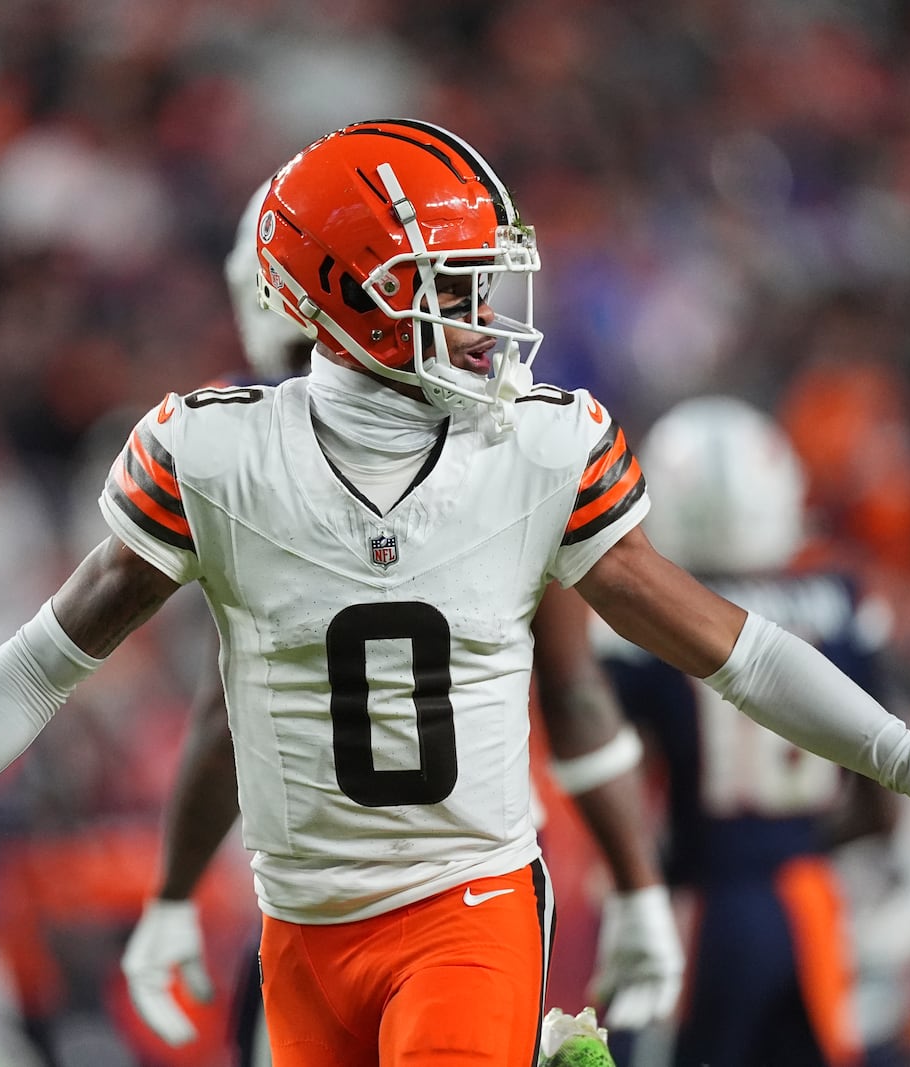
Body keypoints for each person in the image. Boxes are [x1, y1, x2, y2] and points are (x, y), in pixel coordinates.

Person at [0, 119, 910, 1067]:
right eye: (447, 292)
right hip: (299, 927)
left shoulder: (540, 445)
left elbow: (733, 648)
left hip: (465, 904)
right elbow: (46, 659)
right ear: (344, 300)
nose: (484, 321)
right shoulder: (216, 452)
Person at [119, 184, 682, 1063]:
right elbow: (573, 687)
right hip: (449, 878)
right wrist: (639, 886)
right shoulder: (506, 437)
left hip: (397, 886)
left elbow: (221, 710)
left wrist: (174, 893)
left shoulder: (240, 451)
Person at [592, 395, 910, 1067]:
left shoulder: (641, 623)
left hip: (702, 911)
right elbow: (880, 794)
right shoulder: (842, 602)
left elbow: (616, 779)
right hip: (812, 907)